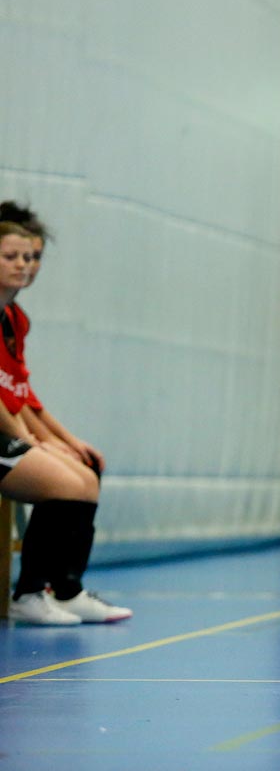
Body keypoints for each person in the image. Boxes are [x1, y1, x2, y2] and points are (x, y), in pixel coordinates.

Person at [0, 222, 131, 623]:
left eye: (31, 257)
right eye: (13, 257)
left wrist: (63, 440)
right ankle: (29, 592)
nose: (25, 265)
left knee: (85, 472)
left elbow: (21, 396)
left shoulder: (13, 319)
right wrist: (28, 442)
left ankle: (66, 589)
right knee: (65, 485)